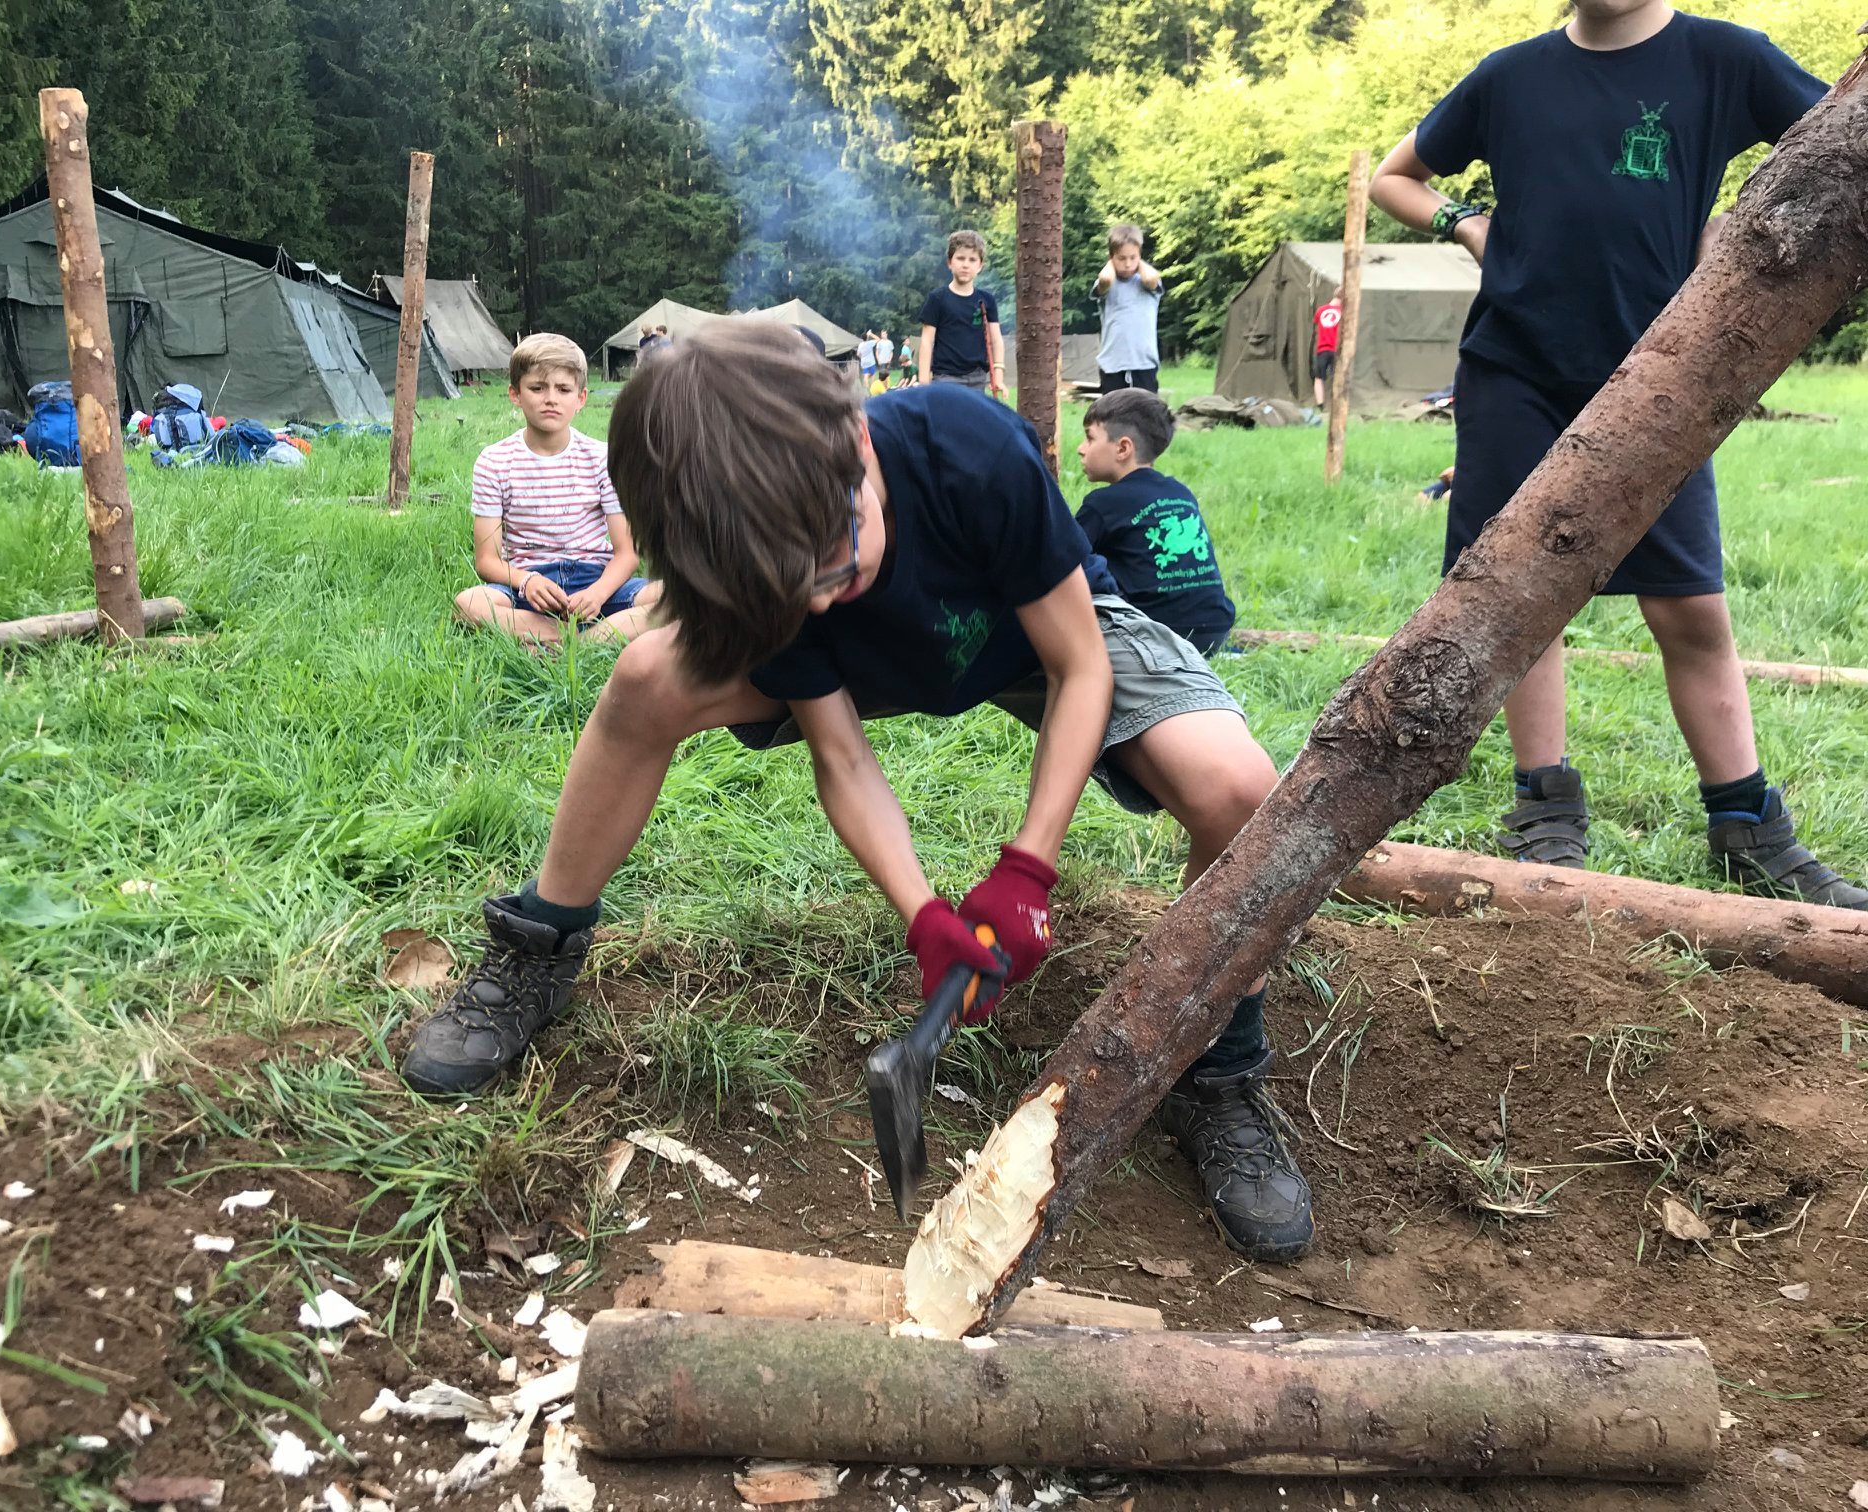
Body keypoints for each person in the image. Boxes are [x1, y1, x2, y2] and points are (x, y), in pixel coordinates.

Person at [401, 322, 1312, 1264]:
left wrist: (1028, 867)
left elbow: (1080, 667)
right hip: (870, 664)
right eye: (798, 587)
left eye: (838, 555)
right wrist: (923, 914)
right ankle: (537, 951)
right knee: (645, 681)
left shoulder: (967, 446)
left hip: (1030, 629)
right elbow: (841, 757)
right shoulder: (778, 570)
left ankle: (1217, 1062)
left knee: (1238, 786)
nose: (828, 592)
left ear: (859, 441)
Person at [1370, 0, 1864, 908]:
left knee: (1689, 610)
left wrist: (1739, 232)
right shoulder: (1507, 75)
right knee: (1521, 600)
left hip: (1662, 373)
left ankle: (1746, 822)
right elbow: (1394, 177)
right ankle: (1546, 806)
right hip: (1513, 370)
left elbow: (1835, 147)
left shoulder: (1724, 58)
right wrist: (1466, 225)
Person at [453, 333, 660, 646]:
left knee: (678, 598)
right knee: (468, 604)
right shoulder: (494, 461)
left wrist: (598, 593)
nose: (550, 398)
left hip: (596, 580)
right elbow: (487, 560)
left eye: (563, 389)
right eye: (537, 388)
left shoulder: (602, 457)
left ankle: (585, 640)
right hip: (527, 589)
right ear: (515, 394)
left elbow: (627, 554)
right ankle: (571, 636)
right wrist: (527, 581)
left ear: (580, 398)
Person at [1075, 389, 1235, 655]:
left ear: (1123, 448)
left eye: (1089, 438)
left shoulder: (1103, 504)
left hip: (1156, 635)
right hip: (1215, 630)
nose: (1081, 449)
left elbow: (1063, 562)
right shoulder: (1180, 492)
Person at [918, 230, 1005, 395]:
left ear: (980, 266)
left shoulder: (987, 301)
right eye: (960, 258)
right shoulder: (937, 299)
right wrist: (923, 380)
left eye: (972, 260)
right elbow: (927, 341)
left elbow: (996, 340)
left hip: (978, 378)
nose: (966, 264)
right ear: (949, 262)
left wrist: (998, 376)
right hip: (945, 379)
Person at [1092, 225, 1164, 394]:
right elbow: (1105, 278)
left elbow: (1152, 277)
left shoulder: (1147, 283)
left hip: (1144, 363)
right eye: (1121, 258)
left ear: (1140, 256)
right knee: (1112, 416)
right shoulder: (1107, 284)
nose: (1128, 264)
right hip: (1112, 365)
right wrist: (1112, 263)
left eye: (1133, 257)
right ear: (1111, 257)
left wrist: (1138, 263)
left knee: (1146, 415)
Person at [1311, 295, 1342, 408]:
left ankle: (1321, 405)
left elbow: (1316, 322)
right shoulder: (1343, 312)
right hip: (1337, 351)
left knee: (1318, 379)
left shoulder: (1320, 310)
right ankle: (1337, 405)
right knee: (1338, 378)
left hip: (1322, 350)